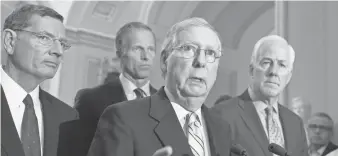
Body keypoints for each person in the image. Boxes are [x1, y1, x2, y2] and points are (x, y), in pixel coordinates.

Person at [87, 17, 232, 156]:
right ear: (164, 61)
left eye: (210, 53)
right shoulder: (123, 119)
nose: (201, 61)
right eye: (188, 49)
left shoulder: (222, 128)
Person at [1, 4, 78, 156]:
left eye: (62, 43)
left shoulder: (67, 116)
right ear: (10, 41)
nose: (58, 51)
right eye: (44, 38)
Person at [212, 35, 308, 156]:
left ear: (288, 77)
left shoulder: (295, 123)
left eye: (282, 65)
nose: (274, 72)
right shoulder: (222, 115)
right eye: (267, 62)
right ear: (252, 70)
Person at [73, 21, 158, 156]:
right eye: (137, 49)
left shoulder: (166, 103)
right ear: (119, 53)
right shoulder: (91, 100)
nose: (146, 57)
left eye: (151, 49)